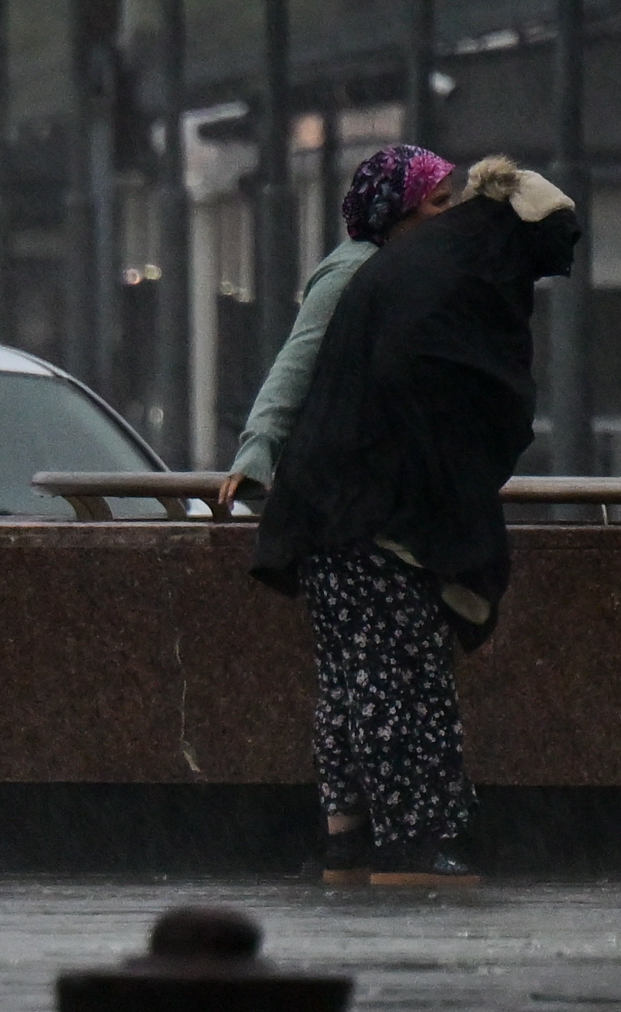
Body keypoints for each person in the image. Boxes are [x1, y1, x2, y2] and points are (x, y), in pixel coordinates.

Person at [250, 154, 581, 884]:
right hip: (374, 518)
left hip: (327, 510)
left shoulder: (399, 274)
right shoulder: (424, 283)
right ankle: (411, 846)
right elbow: (432, 397)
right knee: (399, 682)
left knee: (351, 680)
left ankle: (348, 842)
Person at [219, 145, 452, 509]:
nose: (449, 215)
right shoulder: (352, 272)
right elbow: (298, 361)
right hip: (349, 489)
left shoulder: (416, 269)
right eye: (439, 203)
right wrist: (258, 451)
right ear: (400, 208)